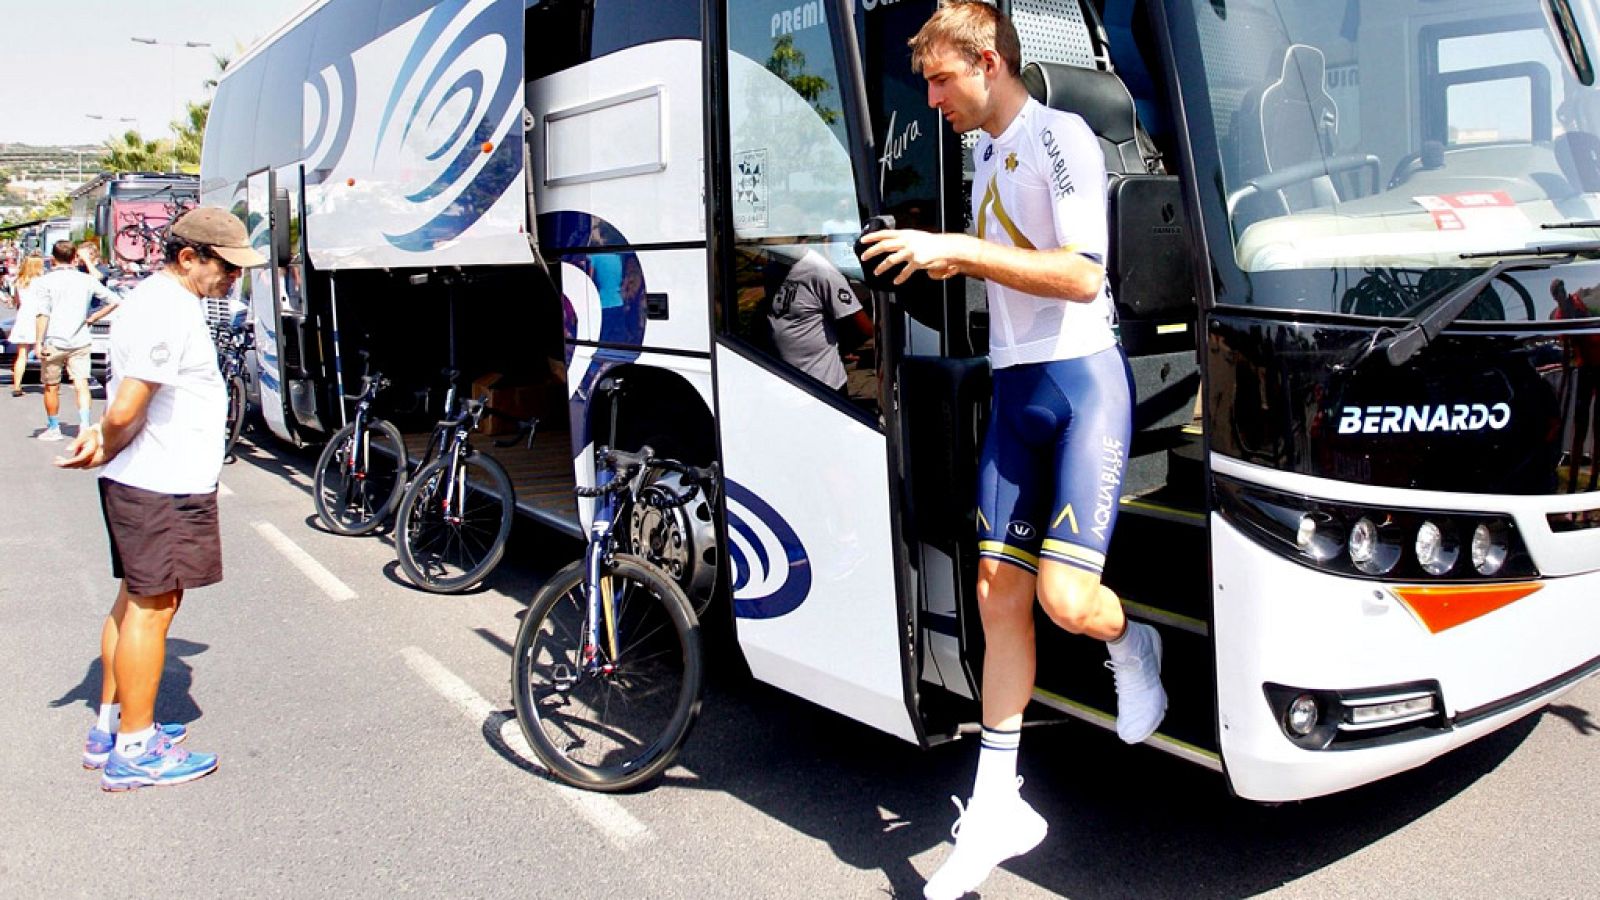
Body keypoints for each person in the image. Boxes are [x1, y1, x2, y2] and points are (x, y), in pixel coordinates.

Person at [859, 4, 1167, 897]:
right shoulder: (981, 151)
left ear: (988, 62)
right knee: (998, 594)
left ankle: (1134, 645)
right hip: (1013, 388)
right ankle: (997, 802)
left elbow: (1082, 272)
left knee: (1068, 602)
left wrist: (957, 250)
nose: (931, 98)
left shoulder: (1058, 134)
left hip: (1079, 385)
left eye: (940, 80)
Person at [56, 207, 266, 791]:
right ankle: (136, 749)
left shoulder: (157, 300)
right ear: (188, 257)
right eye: (225, 267)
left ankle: (110, 730)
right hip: (162, 483)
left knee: (133, 602)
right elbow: (128, 404)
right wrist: (104, 442)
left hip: (149, 478)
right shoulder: (168, 310)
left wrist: (106, 444)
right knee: (155, 609)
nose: (233, 278)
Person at [32, 241, 119, 440]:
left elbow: (42, 313)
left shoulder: (46, 281)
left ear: (53, 258)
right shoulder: (86, 280)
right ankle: (85, 424)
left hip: (54, 339)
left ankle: (54, 427)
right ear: (74, 258)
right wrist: (93, 318)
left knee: (51, 385)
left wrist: (38, 341)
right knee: (81, 383)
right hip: (80, 338)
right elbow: (114, 300)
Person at [766, 248, 874, 396]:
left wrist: (846, 348)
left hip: (822, 385)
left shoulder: (820, 270)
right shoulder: (774, 268)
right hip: (785, 380)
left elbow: (860, 324)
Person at [8, 254, 45, 396]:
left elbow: (17, 302)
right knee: (42, 352)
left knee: (21, 354)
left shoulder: (20, 282)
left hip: (24, 316)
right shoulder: (42, 282)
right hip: (39, 316)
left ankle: (17, 386)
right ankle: (48, 383)